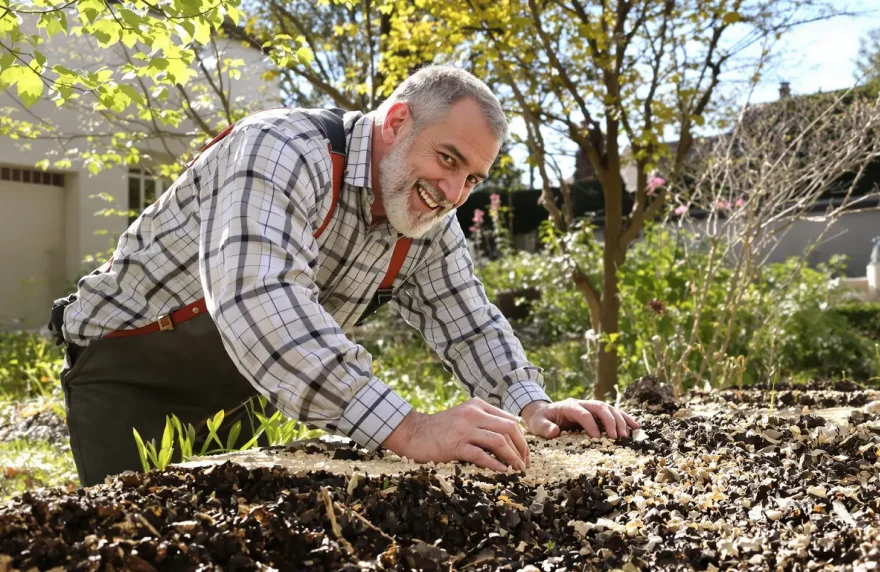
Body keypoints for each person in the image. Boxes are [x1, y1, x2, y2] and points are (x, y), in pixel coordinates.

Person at [50, 64, 639, 487]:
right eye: (448, 159)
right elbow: (257, 297)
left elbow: (470, 321)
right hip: (130, 375)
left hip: (250, 392)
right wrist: (408, 427)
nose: (452, 193)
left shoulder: (427, 218)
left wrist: (532, 406)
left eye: (472, 179)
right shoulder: (280, 147)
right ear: (398, 120)